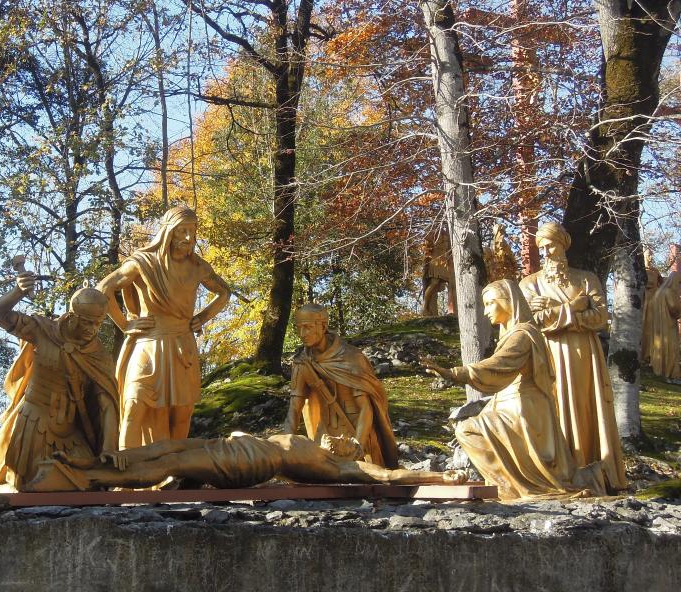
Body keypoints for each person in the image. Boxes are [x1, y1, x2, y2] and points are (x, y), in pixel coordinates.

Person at [423, 279, 604, 499]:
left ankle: (519, 486)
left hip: (525, 410)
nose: (486, 310)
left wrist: (455, 373)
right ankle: (508, 484)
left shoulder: (522, 333)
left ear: (508, 302)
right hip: (510, 405)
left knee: (467, 430)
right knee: (467, 430)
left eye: (491, 303)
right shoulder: (512, 334)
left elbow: (500, 365)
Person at [97, 206, 230, 448]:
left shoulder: (198, 267)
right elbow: (104, 288)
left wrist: (202, 317)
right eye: (182, 231)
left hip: (182, 346)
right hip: (148, 343)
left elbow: (223, 293)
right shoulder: (143, 262)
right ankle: (126, 469)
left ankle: (174, 470)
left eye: (192, 231)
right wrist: (126, 324)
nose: (189, 238)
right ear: (168, 232)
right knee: (134, 403)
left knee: (182, 411)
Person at [0, 272, 122, 491]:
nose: (91, 329)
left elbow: (106, 404)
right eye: (86, 322)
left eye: (97, 324)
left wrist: (109, 448)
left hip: (71, 435)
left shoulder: (98, 356)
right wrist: (18, 291)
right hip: (32, 425)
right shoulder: (43, 330)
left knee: (87, 485)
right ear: (72, 315)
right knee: (32, 483)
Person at [518, 221, 626, 492]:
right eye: (542, 247)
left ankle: (594, 468)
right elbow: (533, 321)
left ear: (563, 244)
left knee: (585, 405)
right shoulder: (530, 284)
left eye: (551, 245)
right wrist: (572, 308)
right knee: (552, 405)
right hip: (549, 353)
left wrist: (558, 312)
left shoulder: (586, 278)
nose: (547, 252)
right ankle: (560, 473)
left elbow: (600, 317)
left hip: (583, 355)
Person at [25, 431, 466, 492]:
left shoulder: (336, 466)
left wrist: (441, 476)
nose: (339, 439)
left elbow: (389, 475)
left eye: (347, 442)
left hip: (244, 465)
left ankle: (91, 477)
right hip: (236, 449)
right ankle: (93, 465)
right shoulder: (306, 439)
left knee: (174, 462)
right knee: (173, 448)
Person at [284, 304, 398, 467]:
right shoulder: (302, 363)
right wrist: (284, 444)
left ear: (323, 326)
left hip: (357, 430)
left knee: (367, 479)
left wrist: (358, 444)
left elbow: (365, 408)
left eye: (308, 328)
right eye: (299, 328)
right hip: (325, 434)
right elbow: (294, 408)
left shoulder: (351, 358)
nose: (302, 334)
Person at [642, 271, 681, 379]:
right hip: (668, 326)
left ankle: (659, 370)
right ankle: (670, 372)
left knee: (659, 348)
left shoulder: (658, 293)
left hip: (658, 328)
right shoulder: (669, 293)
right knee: (671, 349)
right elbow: (676, 309)